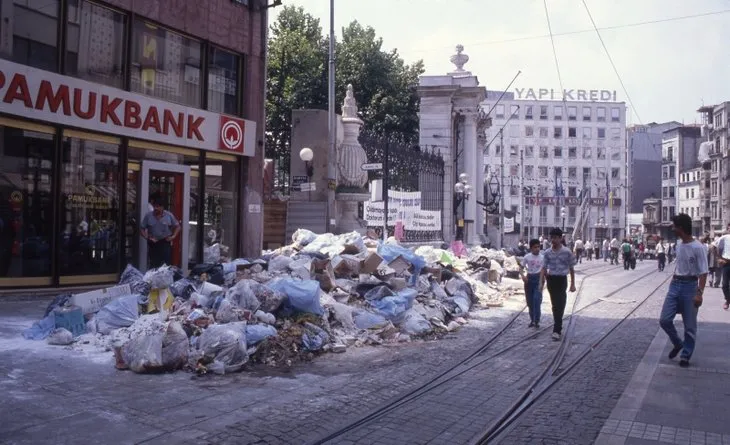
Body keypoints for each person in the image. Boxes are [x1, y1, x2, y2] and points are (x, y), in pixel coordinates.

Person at [659, 213, 707, 368]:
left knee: (690, 326)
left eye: (674, 226)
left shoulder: (698, 247)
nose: (672, 229)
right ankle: (678, 343)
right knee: (665, 320)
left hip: (690, 287)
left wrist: (699, 293)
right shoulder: (678, 246)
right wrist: (673, 281)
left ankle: (685, 355)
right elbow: (679, 266)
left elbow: (703, 272)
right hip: (676, 284)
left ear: (681, 228)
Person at [540, 227, 577, 341]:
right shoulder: (547, 253)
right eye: (552, 238)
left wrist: (572, 284)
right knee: (555, 304)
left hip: (562, 280)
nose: (553, 240)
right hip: (551, 280)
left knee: (561, 303)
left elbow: (571, 268)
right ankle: (557, 328)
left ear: (561, 238)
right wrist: (541, 282)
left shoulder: (567, 252)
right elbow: (544, 268)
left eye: (556, 238)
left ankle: (557, 329)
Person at [140, 195, 180, 268]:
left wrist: (173, 236)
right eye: (154, 206)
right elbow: (142, 228)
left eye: (158, 207)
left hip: (165, 242)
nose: (156, 208)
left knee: (166, 265)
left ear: (162, 207)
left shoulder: (169, 215)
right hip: (153, 242)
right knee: (154, 264)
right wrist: (146, 237)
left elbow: (178, 226)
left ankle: (165, 278)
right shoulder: (148, 215)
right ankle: (153, 279)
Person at [521, 239, 544, 329]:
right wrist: (523, 276)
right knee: (530, 301)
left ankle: (536, 320)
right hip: (529, 279)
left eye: (538, 247)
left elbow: (543, 269)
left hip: (538, 278)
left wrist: (541, 282)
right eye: (535, 247)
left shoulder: (542, 257)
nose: (537, 249)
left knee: (536, 300)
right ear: (531, 248)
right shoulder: (527, 257)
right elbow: (521, 267)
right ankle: (532, 319)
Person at [715, 223, 730, 309]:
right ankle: (727, 300)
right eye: (729, 228)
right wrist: (718, 258)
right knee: (724, 285)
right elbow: (712, 246)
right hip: (726, 263)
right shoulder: (724, 238)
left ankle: (728, 301)